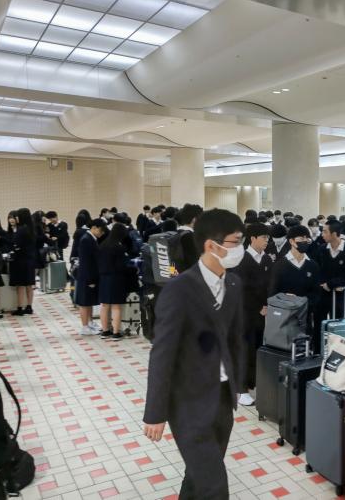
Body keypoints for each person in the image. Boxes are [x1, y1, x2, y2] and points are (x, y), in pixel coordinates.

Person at [143, 209, 246, 500]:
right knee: (214, 486)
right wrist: (155, 413)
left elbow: (235, 338)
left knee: (198, 476)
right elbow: (162, 354)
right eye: (235, 242)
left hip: (222, 398)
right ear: (211, 245)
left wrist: (238, 384)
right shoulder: (179, 289)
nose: (240, 249)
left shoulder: (234, 284)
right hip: (187, 403)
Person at [234, 222, 272, 406]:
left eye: (268, 238)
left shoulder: (266, 259)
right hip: (245, 314)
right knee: (244, 350)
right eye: (264, 237)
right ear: (253, 238)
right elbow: (241, 290)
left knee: (257, 348)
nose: (267, 241)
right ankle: (241, 390)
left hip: (263, 313)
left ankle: (252, 382)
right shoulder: (242, 259)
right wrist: (258, 307)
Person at [268, 225, 321, 346]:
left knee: (304, 348)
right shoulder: (280, 266)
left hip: (304, 317)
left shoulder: (313, 266)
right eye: (301, 238)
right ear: (291, 241)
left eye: (307, 238)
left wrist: (302, 302)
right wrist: (288, 301)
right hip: (283, 318)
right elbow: (272, 293)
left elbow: (316, 293)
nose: (305, 241)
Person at [316, 220, 345, 342]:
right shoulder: (322, 249)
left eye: (325, 231)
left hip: (340, 296)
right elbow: (318, 270)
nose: (322, 234)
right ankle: (318, 350)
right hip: (322, 294)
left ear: (334, 234)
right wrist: (323, 284)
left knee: (338, 325)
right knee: (319, 323)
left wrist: (330, 284)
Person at [97, 223, 133, 341]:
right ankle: (116, 333)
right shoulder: (118, 247)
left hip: (103, 278)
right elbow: (121, 266)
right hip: (116, 279)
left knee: (104, 305)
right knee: (116, 307)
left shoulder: (102, 244)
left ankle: (105, 331)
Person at [75, 219, 106, 336]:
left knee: (89, 302)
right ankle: (84, 326)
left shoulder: (91, 238)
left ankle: (90, 322)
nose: (102, 233)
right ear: (94, 227)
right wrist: (90, 279)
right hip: (86, 276)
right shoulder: (86, 240)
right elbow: (86, 262)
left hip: (90, 275)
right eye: (101, 230)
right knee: (84, 303)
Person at [9, 208, 37, 315]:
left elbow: (16, 244)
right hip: (30, 259)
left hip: (20, 260)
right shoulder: (31, 228)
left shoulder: (21, 229)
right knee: (29, 284)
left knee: (20, 285)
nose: (16, 218)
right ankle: (29, 307)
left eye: (17, 216)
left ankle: (20, 308)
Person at [171, 204, 203, 273]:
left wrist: (173, 274)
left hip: (177, 274)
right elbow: (194, 262)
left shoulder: (177, 233)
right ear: (194, 219)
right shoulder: (189, 236)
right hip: (188, 276)